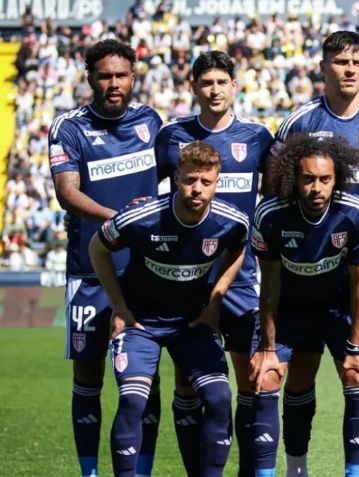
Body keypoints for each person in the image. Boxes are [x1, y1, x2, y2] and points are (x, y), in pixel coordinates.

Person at [271, 30, 359, 476]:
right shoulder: (299, 124)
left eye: (357, 62)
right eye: (340, 62)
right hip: (306, 271)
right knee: (302, 371)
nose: (349, 70)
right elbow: (277, 192)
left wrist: (358, 230)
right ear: (323, 67)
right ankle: (296, 468)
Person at [88, 141, 248, 477]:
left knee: (219, 399)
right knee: (134, 400)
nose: (197, 190)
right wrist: (119, 306)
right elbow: (97, 248)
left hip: (191, 324)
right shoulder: (142, 217)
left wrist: (216, 299)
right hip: (140, 324)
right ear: (176, 178)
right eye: (190, 180)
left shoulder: (232, 221)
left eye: (206, 182)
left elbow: (238, 249)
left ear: (218, 181)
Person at [155, 50, 274, 477]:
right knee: (188, 382)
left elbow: (276, 198)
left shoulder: (258, 137)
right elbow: (150, 202)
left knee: (248, 382)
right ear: (193, 88)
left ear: (234, 87)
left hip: (241, 280)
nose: (214, 90)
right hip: (185, 281)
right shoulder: (171, 137)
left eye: (222, 82)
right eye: (206, 83)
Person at [49, 39, 162, 477]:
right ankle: (90, 472)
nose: (113, 84)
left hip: (143, 274)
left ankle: (143, 470)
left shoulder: (151, 122)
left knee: (143, 382)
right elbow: (67, 192)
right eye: (104, 76)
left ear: (133, 77)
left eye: (121, 75)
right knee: (88, 379)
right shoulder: (69, 127)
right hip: (89, 274)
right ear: (90, 78)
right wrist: (120, 220)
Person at [250, 134, 359, 477]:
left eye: (325, 179)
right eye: (308, 179)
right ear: (295, 177)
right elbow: (270, 283)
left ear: (337, 180)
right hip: (290, 309)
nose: (316, 188)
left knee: (357, 374)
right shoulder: (271, 214)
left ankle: (355, 473)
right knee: (268, 377)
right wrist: (268, 347)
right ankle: (293, 471)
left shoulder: (353, 213)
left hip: (336, 309)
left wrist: (357, 344)